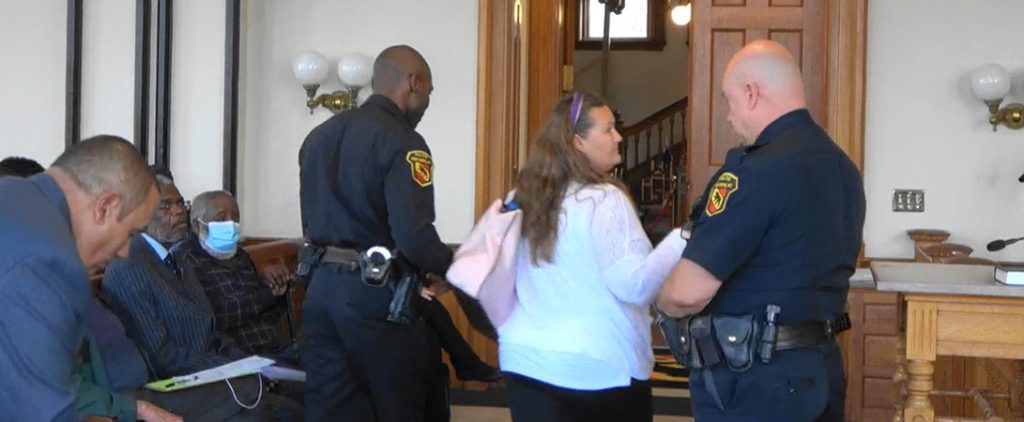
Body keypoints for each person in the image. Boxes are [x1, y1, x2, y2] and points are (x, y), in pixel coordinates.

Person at [655, 40, 866, 422]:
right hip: (820, 368)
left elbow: (688, 293)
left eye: (729, 100)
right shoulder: (843, 168)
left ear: (751, 93)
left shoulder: (754, 172)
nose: (728, 116)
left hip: (755, 381)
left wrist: (661, 300)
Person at [496, 91, 687, 422]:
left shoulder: (520, 198)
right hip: (597, 371)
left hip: (525, 362)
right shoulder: (602, 200)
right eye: (608, 128)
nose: (619, 136)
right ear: (577, 141)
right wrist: (682, 238)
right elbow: (635, 286)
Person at [299, 44, 454, 421]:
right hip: (376, 295)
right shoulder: (404, 142)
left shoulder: (318, 137)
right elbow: (414, 238)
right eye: (429, 93)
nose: (427, 103)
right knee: (403, 404)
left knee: (332, 407)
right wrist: (454, 268)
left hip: (319, 292)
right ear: (413, 83)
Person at [101, 174, 302, 419]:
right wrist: (233, 371)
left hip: (213, 372)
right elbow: (162, 357)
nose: (177, 212)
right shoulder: (128, 266)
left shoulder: (177, 260)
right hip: (178, 387)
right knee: (282, 411)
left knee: (305, 392)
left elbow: (209, 330)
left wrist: (251, 364)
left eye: (180, 203)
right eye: (165, 206)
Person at [0, 135, 166, 420]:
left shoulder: (12, 194)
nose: (124, 252)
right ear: (105, 207)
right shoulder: (51, 261)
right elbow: (44, 414)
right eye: (130, 233)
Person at [176, 190, 296, 360]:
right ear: (198, 225)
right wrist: (264, 295)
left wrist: (277, 288)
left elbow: (265, 315)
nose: (230, 224)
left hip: (274, 347)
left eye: (235, 218)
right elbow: (214, 317)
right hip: (238, 358)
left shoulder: (239, 255)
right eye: (220, 218)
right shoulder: (185, 259)